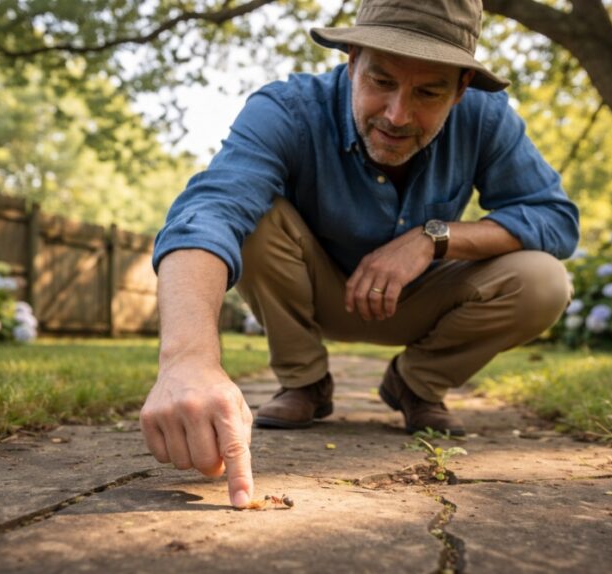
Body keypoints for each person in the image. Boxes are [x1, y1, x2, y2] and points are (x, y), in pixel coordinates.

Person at [140, 0, 579, 509]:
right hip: (312, 289)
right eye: (381, 81)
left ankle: (416, 385)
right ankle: (304, 381)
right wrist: (186, 359)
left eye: (429, 92)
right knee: (254, 217)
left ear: (461, 90)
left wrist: (432, 238)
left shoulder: (486, 119)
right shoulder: (287, 109)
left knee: (544, 279)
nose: (397, 115)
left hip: (422, 301)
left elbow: (554, 218)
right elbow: (209, 210)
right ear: (351, 60)